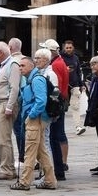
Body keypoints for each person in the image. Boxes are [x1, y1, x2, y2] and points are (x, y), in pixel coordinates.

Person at [11, 54, 57, 191]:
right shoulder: (29, 80)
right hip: (35, 118)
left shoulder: (36, 80)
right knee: (41, 151)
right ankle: (50, 180)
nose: (20, 68)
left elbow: (41, 101)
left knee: (29, 150)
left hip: (35, 119)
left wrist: (31, 115)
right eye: (19, 66)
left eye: (23, 65)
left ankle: (24, 181)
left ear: (32, 66)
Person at [0, 41, 21, 181]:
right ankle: (8, 167)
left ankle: (7, 170)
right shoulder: (5, 64)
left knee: (3, 138)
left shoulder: (12, 64)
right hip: (1, 104)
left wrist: (9, 106)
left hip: (5, 104)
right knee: (2, 138)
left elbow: (14, 87)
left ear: (1, 52)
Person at [45, 39, 69, 180]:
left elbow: (56, 88)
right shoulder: (60, 62)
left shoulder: (55, 65)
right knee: (58, 135)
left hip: (57, 104)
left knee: (55, 136)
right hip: (62, 101)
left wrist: (52, 106)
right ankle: (60, 166)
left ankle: (59, 167)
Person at [61, 40, 86, 136]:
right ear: (64, 48)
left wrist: (81, 84)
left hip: (74, 84)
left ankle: (78, 127)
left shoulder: (75, 58)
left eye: (70, 48)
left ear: (73, 48)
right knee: (61, 107)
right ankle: (59, 127)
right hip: (63, 85)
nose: (68, 49)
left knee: (75, 106)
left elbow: (78, 72)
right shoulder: (60, 58)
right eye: (67, 48)